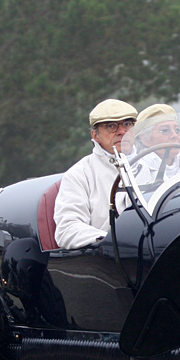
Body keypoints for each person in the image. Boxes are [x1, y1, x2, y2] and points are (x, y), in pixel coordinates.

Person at [53, 98, 137, 249]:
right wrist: (110, 242)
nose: (122, 132)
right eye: (111, 126)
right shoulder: (79, 174)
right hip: (111, 261)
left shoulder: (155, 165)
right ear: (95, 135)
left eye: (127, 124)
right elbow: (67, 228)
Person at [130, 103, 180, 184]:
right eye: (165, 130)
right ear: (145, 138)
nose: (174, 135)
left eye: (177, 130)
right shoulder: (136, 170)